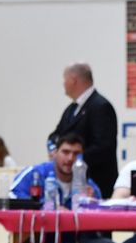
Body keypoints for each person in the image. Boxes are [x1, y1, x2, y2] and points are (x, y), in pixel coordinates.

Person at [47, 63, 118, 198]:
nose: (63, 84)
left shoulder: (101, 107)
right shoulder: (71, 109)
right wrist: (53, 149)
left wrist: (72, 158)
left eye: (64, 80)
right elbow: (56, 135)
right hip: (71, 184)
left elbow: (104, 147)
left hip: (95, 184)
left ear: (73, 80)